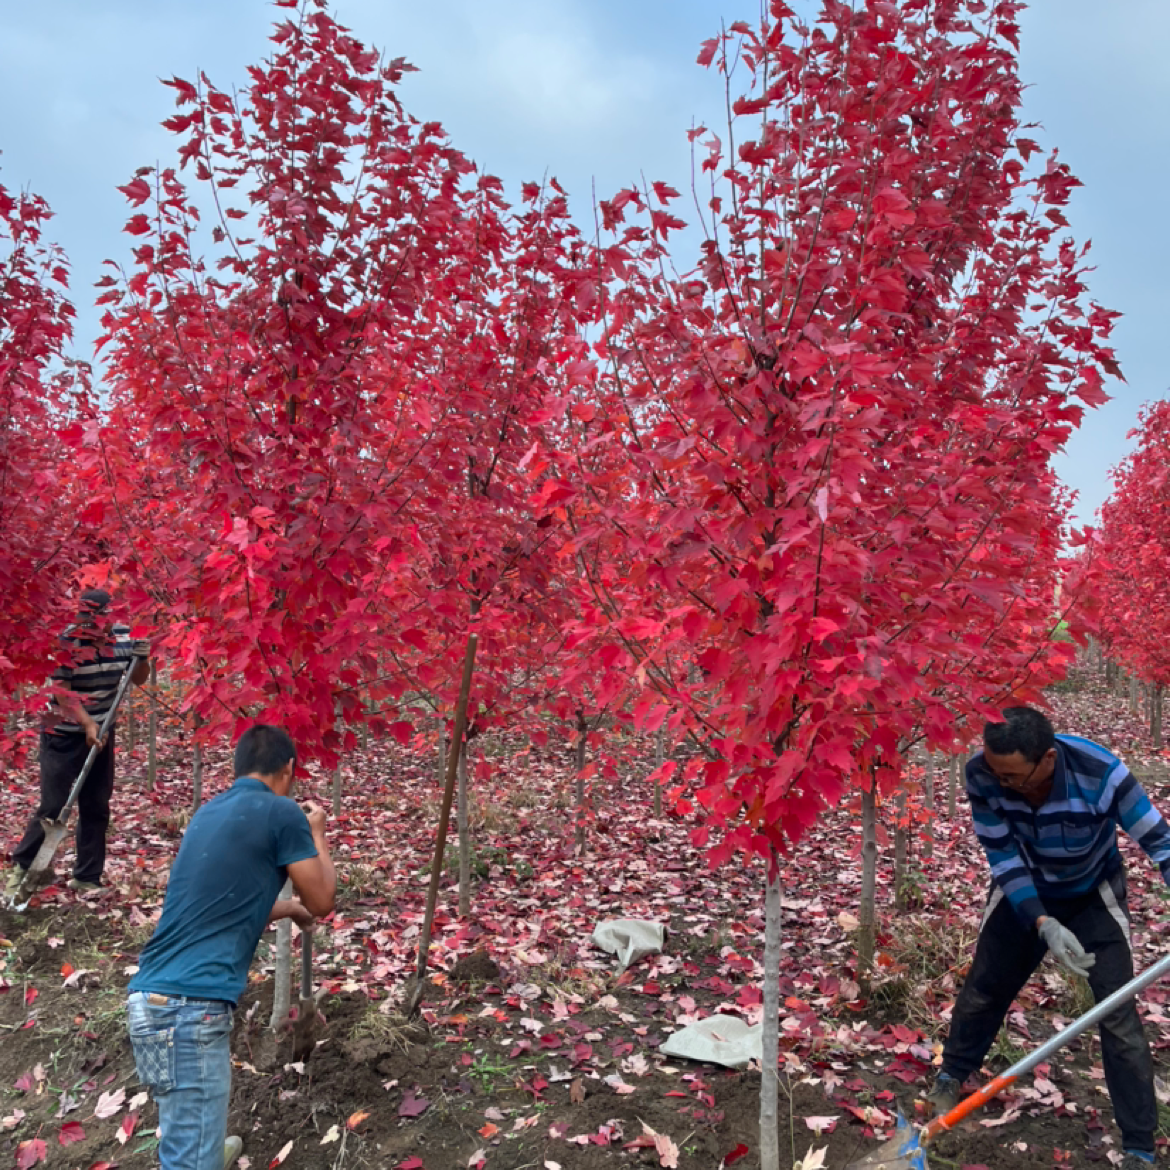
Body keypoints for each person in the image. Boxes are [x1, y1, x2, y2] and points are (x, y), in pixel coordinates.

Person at [925, 706, 1170, 1168]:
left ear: (1049, 760)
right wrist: (1041, 921)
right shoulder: (982, 773)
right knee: (985, 988)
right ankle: (951, 1076)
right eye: (999, 775)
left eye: (1015, 777)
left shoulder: (1103, 775)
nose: (1006, 785)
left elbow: (1161, 842)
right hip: (1026, 887)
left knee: (1117, 1015)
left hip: (1093, 891)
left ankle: (1139, 1144)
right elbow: (1001, 853)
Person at [126, 723, 336, 1170]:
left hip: (149, 1002)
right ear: (290, 770)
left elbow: (219, 908)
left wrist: (287, 908)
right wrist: (316, 831)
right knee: (191, 1160)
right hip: (191, 1009)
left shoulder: (208, 814)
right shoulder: (283, 813)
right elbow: (323, 900)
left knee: (183, 1133)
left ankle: (208, 1153)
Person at [8, 587, 151, 892]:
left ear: (108, 619)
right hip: (62, 733)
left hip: (103, 729)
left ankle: (86, 876)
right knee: (54, 804)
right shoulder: (67, 640)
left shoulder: (125, 637)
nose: (88, 625)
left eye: (95, 620)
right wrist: (87, 724)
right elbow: (61, 691)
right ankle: (21, 867)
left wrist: (142, 660)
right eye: (84, 618)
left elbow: (137, 678)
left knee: (96, 803)